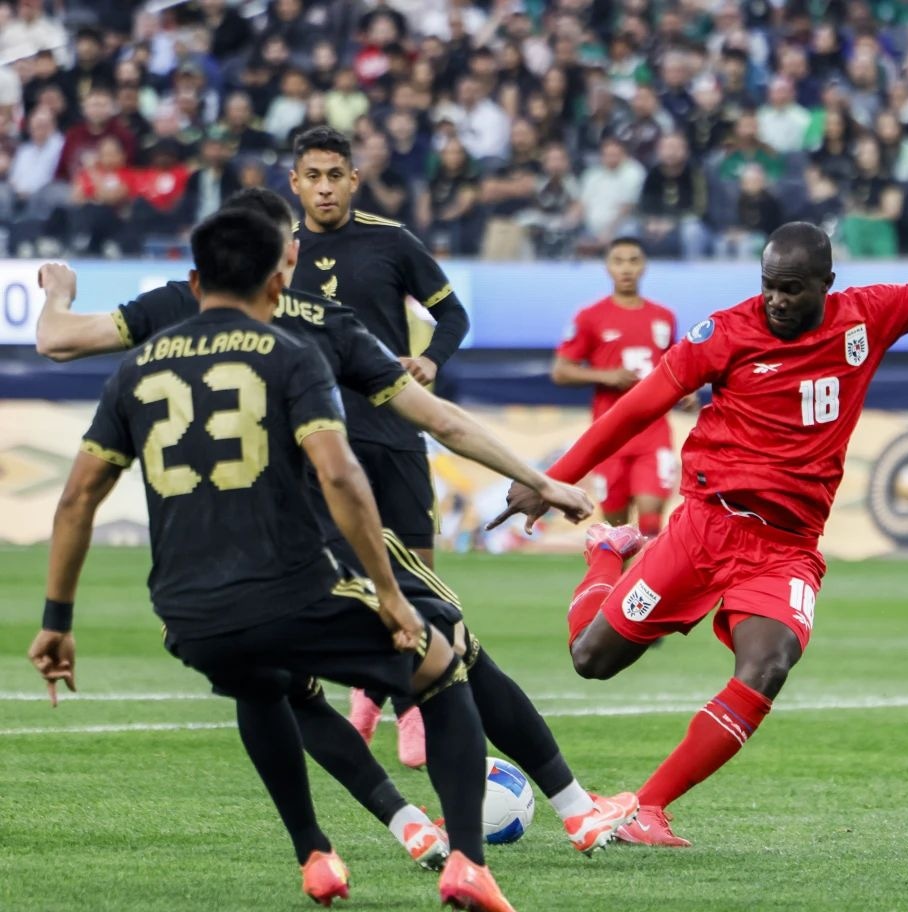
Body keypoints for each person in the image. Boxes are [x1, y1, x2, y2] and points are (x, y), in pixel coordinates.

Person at [32, 187, 638, 858]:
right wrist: (540, 479)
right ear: (285, 259)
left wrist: (57, 293)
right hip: (318, 538)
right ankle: (563, 815)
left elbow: (58, 346)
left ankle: (380, 833)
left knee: (276, 688)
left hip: (202, 563)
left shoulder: (172, 312)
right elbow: (436, 421)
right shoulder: (315, 321)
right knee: (452, 652)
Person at [492, 211, 908, 846]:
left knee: (769, 663)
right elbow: (638, 407)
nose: (777, 301)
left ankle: (648, 806)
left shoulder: (868, 317)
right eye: (768, 286)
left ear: (826, 284)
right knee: (590, 660)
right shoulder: (724, 333)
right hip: (705, 527)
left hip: (784, 548)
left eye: (792, 288)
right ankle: (606, 552)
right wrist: (549, 480)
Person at [288, 125, 472, 763]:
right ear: (295, 183)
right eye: (313, 177)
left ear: (354, 180)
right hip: (320, 441)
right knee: (347, 576)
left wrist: (431, 360)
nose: (325, 188)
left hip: (393, 433)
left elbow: (453, 314)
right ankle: (378, 697)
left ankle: (405, 703)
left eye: (335, 176)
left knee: (418, 575)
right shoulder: (279, 252)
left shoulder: (392, 241)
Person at [551, 238, 681, 536]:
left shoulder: (664, 317)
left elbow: (674, 366)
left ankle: (649, 568)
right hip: (609, 435)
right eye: (618, 261)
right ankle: (617, 567)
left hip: (653, 433)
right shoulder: (590, 317)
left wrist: (684, 393)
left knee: (650, 521)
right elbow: (561, 371)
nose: (626, 269)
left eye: (633, 261)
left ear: (644, 266)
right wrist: (605, 376)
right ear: (607, 267)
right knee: (616, 530)